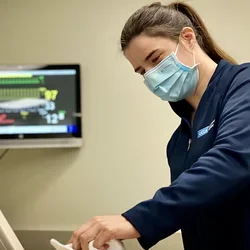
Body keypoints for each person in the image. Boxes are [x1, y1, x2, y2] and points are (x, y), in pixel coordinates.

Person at [69, 2, 250, 250]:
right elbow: (193, 206)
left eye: (155, 59)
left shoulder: (244, 85)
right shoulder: (178, 142)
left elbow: (233, 159)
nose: (152, 75)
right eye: (142, 71)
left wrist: (136, 220)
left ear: (187, 38)